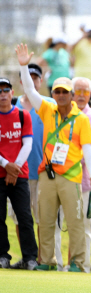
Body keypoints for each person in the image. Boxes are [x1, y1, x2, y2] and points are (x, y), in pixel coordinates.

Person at [16, 44, 91, 272]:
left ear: (72, 95)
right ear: (53, 94)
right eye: (57, 92)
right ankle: (47, 261)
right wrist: (24, 66)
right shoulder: (47, 109)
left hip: (72, 176)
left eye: (65, 92)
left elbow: (88, 148)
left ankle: (79, 263)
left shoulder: (80, 118)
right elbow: (31, 92)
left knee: (74, 222)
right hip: (47, 174)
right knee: (45, 220)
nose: (61, 95)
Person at [9, 64, 55, 265]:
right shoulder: (11, 106)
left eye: (37, 78)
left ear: (41, 81)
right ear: (23, 81)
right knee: (20, 218)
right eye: (30, 77)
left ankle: (43, 259)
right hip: (16, 172)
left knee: (42, 219)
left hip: (42, 170)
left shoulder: (49, 104)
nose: (34, 81)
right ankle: (27, 257)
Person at [57, 77, 91, 272]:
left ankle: (81, 265)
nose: (82, 95)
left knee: (83, 227)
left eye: (86, 91)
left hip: (83, 180)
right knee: (57, 224)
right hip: (58, 177)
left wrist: (70, 159)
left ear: (90, 94)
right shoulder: (60, 113)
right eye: (78, 91)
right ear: (71, 92)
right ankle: (57, 264)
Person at [0, 77, 39, 270]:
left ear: (12, 93)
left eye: (6, 90)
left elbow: (28, 143)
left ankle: (30, 258)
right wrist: (6, 165)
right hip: (1, 172)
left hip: (20, 174)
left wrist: (14, 168)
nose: (2, 95)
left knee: (24, 216)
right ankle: (2, 256)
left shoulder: (23, 115)